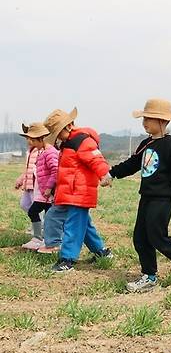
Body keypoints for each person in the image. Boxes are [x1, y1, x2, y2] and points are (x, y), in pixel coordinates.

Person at [105, 98, 171, 293]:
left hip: (164, 198)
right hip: (147, 196)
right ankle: (149, 276)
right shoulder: (146, 144)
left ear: (162, 121)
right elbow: (132, 163)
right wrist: (112, 173)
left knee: (157, 235)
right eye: (144, 118)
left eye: (149, 119)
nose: (144, 122)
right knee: (140, 238)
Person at [43, 107, 113, 272]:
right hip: (70, 192)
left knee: (73, 226)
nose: (58, 138)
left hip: (80, 193)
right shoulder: (67, 143)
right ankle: (101, 252)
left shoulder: (82, 141)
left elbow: (96, 159)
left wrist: (105, 174)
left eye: (58, 133)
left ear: (68, 126)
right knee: (84, 225)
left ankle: (67, 259)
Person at [19, 123, 58, 250]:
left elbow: (55, 170)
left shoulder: (49, 152)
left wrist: (48, 187)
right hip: (42, 190)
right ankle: (45, 240)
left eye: (34, 140)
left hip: (46, 192)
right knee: (47, 215)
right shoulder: (42, 151)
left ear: (42, 138)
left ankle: (39, 238)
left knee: (33, 211)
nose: (31, 142)